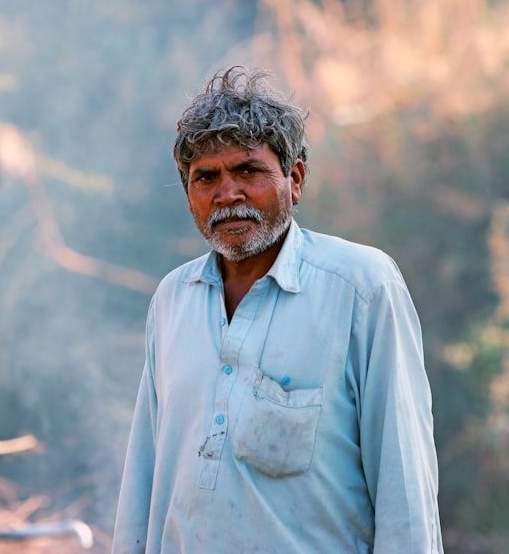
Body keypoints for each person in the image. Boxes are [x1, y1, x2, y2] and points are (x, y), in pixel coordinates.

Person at [112, 66, 444, 554]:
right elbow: (144, 475)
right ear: (189, 197)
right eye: (206, 178)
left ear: (295, 178)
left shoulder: (361, 287)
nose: (228, 194)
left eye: (248, 170)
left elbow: (405, 483)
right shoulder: (172, 298)